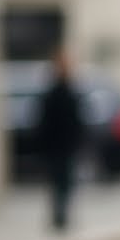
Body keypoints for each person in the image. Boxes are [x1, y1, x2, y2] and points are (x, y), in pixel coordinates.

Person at [36, 47, 85, 229]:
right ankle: (58, 216)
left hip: (68, 147)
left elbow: (78, 121)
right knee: (56, 183)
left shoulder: (72, 91)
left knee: (67, 183)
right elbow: (43, 122)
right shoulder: (51, 93)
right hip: (55, 147)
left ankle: (63, 216)